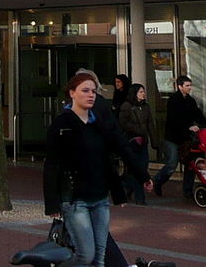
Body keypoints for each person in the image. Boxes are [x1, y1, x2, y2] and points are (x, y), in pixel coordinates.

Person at [44, 72, 152, 267]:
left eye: (93, 91)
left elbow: (110, 156)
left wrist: (140, 177)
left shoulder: (98, 124)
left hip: (100, 199)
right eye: (85, 90)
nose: (90, 95)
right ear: (72, 93)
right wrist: (52, 203)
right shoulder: (62, 124)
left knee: (99, 257)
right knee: (85, 254)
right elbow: (52, 164)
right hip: (76, 200)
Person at [153, 75, 206, 199]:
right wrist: (188, 127)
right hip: (173, 138)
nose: (189, 88)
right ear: (180, 87)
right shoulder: (173, 100)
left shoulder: (190, 100)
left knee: (190, 164)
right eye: (187, 86)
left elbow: (197, 114)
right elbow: (174, 119)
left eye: (190, 85)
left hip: (186, 139)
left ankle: (188, 191)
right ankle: (158, 181)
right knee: (172, 164)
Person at [117, 83, 156, 205]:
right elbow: (123, 123)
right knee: (137, 168)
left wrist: (154, 141)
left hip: (143, 142)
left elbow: (150, 124)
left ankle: (128, 187)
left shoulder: (146, 107)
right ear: (134, 93)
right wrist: (137, 131)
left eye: (143, 92)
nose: (143, 94)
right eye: (140, 92)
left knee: (142, 167)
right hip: (131, 141)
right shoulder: (127, 106)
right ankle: (139, 197)